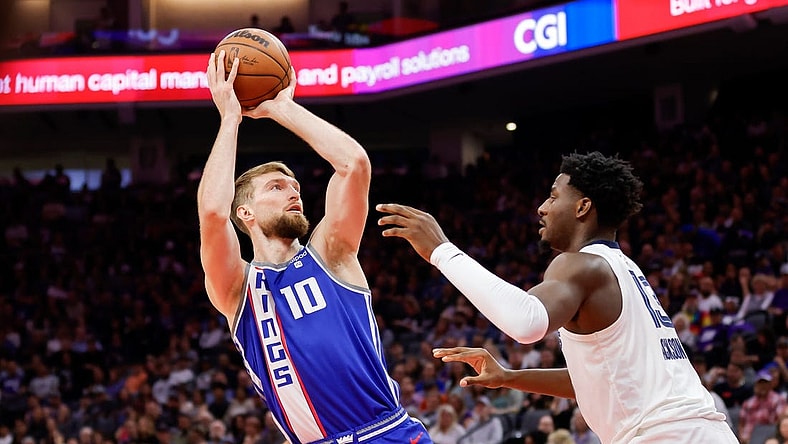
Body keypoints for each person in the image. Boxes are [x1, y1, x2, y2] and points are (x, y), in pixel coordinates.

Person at [377, 151, 738, 443]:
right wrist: (509, 377)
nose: (542, 207)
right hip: (702, 432)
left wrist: (441, 251)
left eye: (553, 196)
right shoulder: (624, 268)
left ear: (582, 207)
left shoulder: (580, 265)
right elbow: (594, 380)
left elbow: (526, 322)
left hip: (664, 436)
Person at [199, 51, 432, 444]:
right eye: (276, 187)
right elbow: (211, 213)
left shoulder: (331, 254)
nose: (294, 193)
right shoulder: (237, 287)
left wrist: (282, 107)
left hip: (385, 432)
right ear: (245, 212)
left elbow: (353, 164)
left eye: (296, 188)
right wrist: (230, 119)